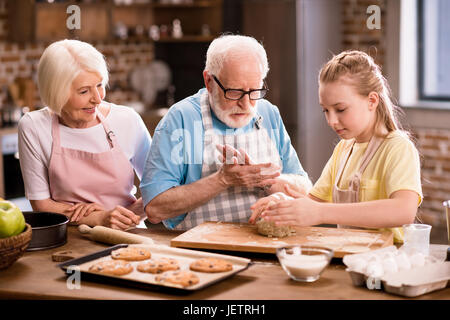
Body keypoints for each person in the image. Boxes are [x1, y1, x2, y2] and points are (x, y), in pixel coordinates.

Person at [140, 34, 312, 230]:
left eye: (254, 91)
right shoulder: (181, 119)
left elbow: (306, 190)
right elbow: (155, 209)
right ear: (209, 81)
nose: (245, 104)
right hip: (202, 251)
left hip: (267, 244)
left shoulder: (268, 113)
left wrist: (265, 180)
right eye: (235, 92)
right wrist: (223, 179)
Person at [249, 50, 423, 243]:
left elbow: (403, 211)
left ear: (372, 101)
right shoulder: (343, 149)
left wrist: (321, 213)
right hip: (350, 257)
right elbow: (313, 204)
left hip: (388, 262)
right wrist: (284, 204)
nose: (331, 121)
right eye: (325, 110)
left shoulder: (397, 148)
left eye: (340, 109)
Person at [18, 39, 152, 230]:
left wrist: (127, 217)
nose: (97, 99)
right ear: (57, 93)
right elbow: (41, 205)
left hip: (128, 234)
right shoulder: (33, 127)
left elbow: (160, 187)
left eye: (99, 85)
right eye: (84, 91)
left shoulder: (127, 120)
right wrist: (97, 218)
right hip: (67, 238)